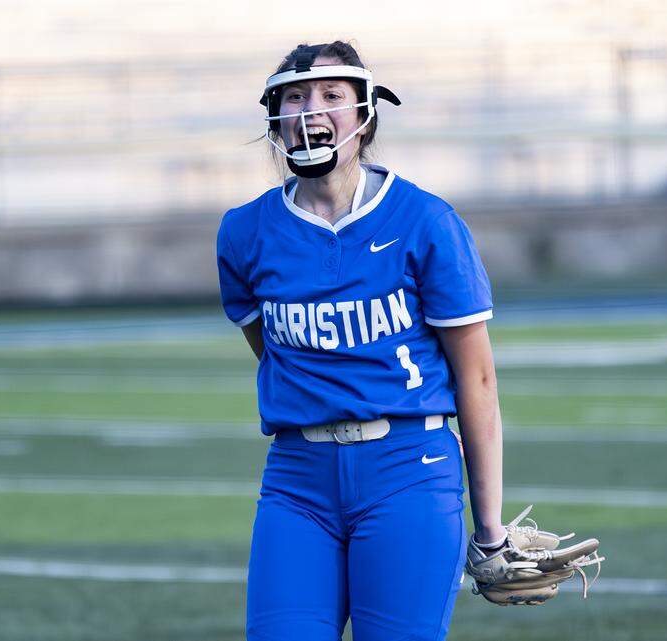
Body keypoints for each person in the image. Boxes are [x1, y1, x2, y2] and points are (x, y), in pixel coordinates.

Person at [215, 41, 506, 641]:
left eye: (330, 95)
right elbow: (273, 355)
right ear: (275, 116)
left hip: (409, 471)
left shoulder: (425, 221)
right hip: (297, 477)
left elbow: (475, 379)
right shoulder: (244, 232)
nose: (309, 110)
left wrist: (490, 529)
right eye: (294, 97)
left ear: (365, 113)